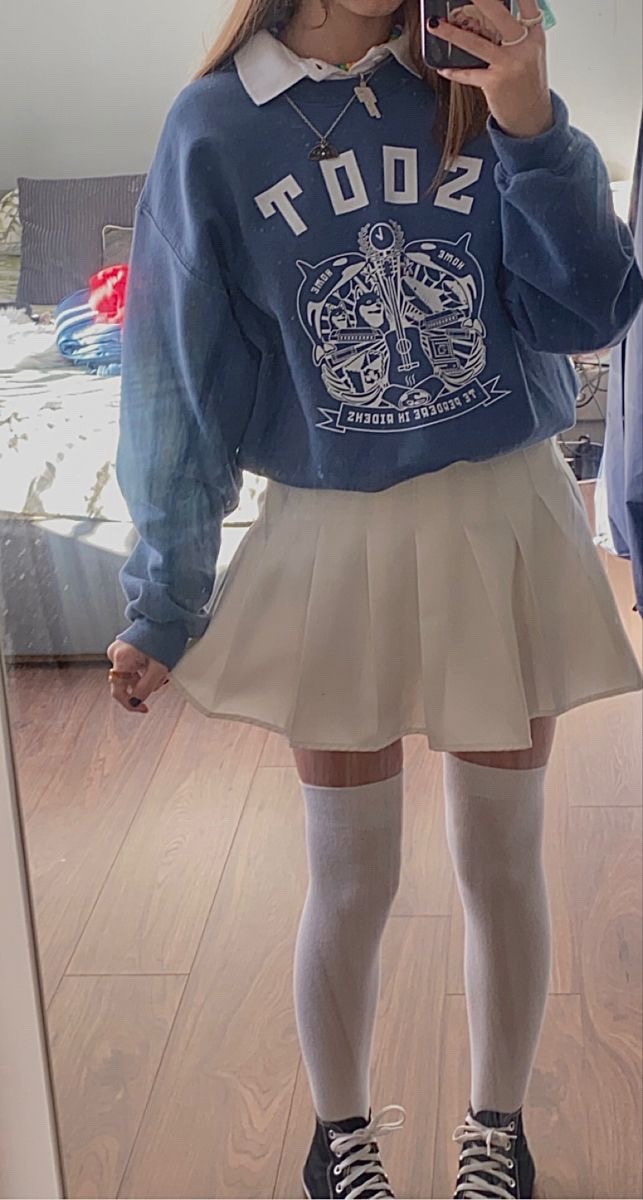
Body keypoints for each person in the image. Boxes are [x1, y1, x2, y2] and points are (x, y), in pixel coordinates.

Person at [107, 1, 643, 1197]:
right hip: (330, 532)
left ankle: (496, 1131)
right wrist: (164, 596)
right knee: (350, 877)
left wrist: (531, 123)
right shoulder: (215, 127)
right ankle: (338, 1139)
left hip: (502, 518)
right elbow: (177, 374)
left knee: (502, 862)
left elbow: (588, 313)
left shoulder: (472, 84)